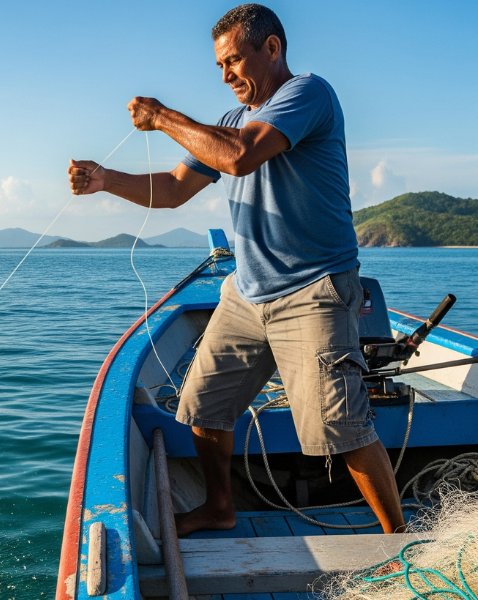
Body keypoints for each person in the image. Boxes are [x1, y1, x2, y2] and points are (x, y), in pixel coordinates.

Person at [68, 4, 406, 535]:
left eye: (234, 61)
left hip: (313, 291)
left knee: (340, 428)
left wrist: (163, 117)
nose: (226, 76)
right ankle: (220, 508)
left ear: (272, 49)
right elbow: (176, 189)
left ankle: (398, 539)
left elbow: (241, 156)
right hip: (247, 293)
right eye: (219, 67)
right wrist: (107, 179)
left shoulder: (308, 95)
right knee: (203, 407)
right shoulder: (225, 123)